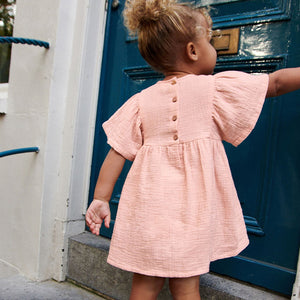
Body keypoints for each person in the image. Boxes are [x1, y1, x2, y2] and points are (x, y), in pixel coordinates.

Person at [86, 0, 300, 299]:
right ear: (193, 51)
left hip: (149, 210)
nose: (213, 48)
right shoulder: (213, 90)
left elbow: (117, 151)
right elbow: (275, 84)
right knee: (186, 284)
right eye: (210, 41)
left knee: (144, 283)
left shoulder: (140, 102)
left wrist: (100, 198)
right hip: (193, 211)